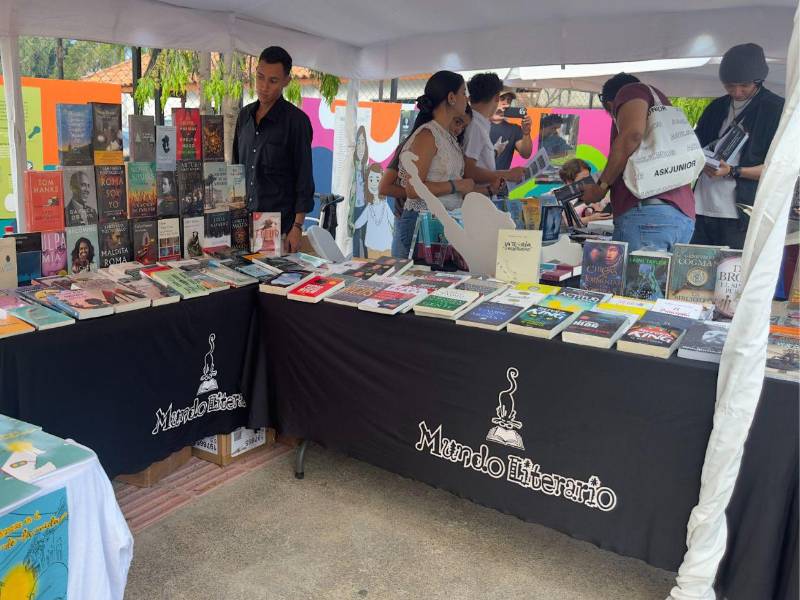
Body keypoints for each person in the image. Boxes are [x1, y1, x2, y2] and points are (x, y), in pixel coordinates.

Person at [581, 73, 696, 252]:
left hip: (647, 215)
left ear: (610, 103)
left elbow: (632, 135)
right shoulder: (658, 102)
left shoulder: (631, 92)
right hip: (680, 215)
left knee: (639, 279)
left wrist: (600, 188)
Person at [692, 43, 785, 249]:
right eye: (729, 86)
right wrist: (701, 162)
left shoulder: (775, 109)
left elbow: (780, 167)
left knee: (731, 274)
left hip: (740, 212)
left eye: (744, 85)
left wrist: (733, 171)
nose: (737, 91)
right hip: (702, 206)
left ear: (759, 81)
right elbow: (695, 146)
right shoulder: (717, 107)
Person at [232, 46, 314, 254]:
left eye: (273, 81)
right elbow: (236, 169)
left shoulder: (297, 122)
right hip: (242, 224)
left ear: (286, 81)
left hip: (278, 226)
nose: (263, 86)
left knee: (271, 285)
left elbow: (304, 179)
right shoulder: (244, 117)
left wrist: (297, 227)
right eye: (260, 77)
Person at [390, 71, 475, 259]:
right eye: (463, 92)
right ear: (451, 98)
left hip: (441, 223)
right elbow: (413, 189)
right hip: (422, 226)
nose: (466, 98)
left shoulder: (447, 136)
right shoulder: (428, 135)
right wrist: (456, 185)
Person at [462, 73, 525, 193]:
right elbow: (469, 171)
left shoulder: (478, 123)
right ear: (496, 97)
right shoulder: (476, 126)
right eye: (503, 99)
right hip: (475, 199)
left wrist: (494, 152)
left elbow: (478, 161)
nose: (506, 104)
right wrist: (507, 174)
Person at [490, 90, 533, 171]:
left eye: (509, 100)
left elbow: (526, 154)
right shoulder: (480, 124)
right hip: (477, 179)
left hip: (501, 181)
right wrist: (490, 115)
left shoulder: (514, 129)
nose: (506, 103)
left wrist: (526, 133)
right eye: (501, 98)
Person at [558, 158, 611, 223]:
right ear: (569, 182)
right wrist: (590, 219)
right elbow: (562, 224)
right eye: (583, 180)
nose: (588, 183)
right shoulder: (558, 198)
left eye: (588, 179)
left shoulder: (595, 194)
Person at [348, 126, 369, 257]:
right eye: (358, 142)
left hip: (364, 207)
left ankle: (365, 260)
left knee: (365, 238)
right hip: (355, 208)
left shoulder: (366, 167)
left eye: (363, 142)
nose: (361, 146)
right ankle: (355, 260)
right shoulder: (352, 167)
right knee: (355, 237)